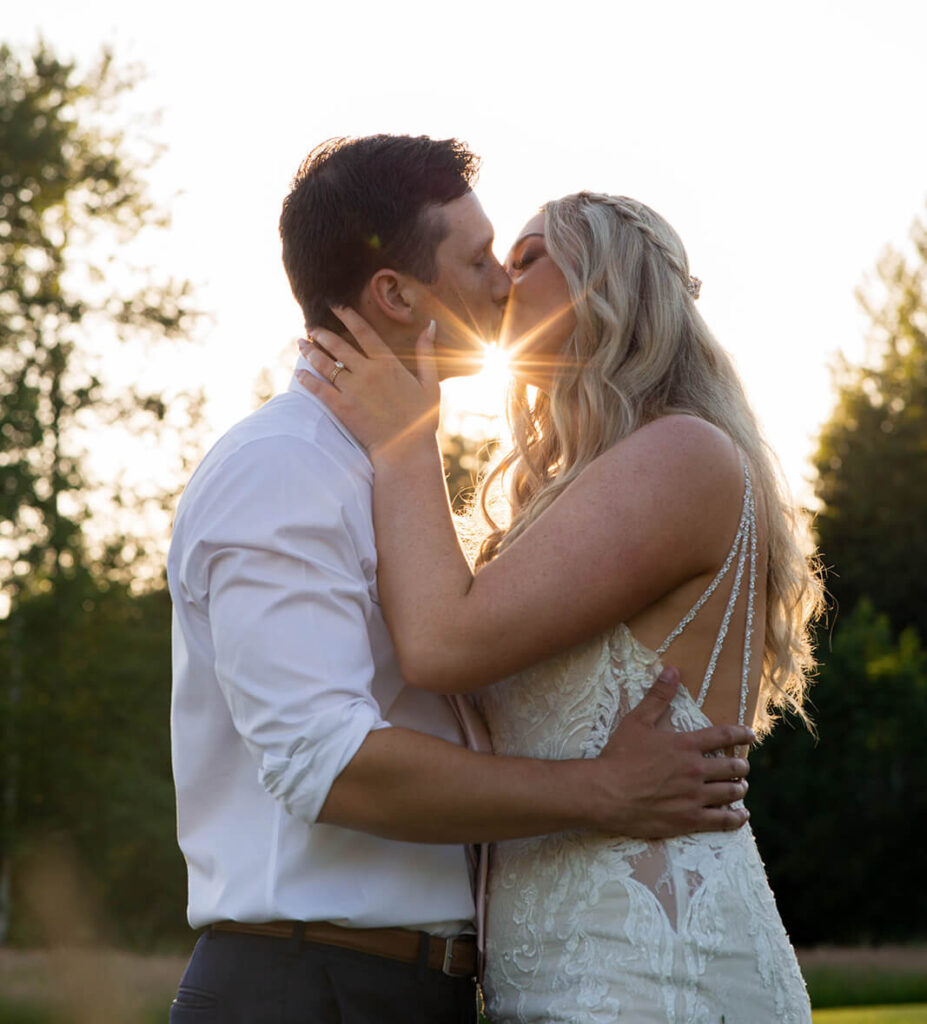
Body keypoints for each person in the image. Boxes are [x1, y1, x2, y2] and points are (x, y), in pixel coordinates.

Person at [167, 136, 755, 1024]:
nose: (502, 285)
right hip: (309, 982)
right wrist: (598, 789)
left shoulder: (390, 475)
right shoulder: (283, 467)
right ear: (395, 293)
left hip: (436, 982)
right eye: (480, 259)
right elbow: (327, 764)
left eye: (515, 259)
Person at [297, 190, 823, 1023]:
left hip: (651, 966)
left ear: (611, 280)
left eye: (528, 255)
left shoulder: (682, 454)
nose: (501, 281)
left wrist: (405, 436)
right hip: (551, 972)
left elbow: (439, 643)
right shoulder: (582, 486)